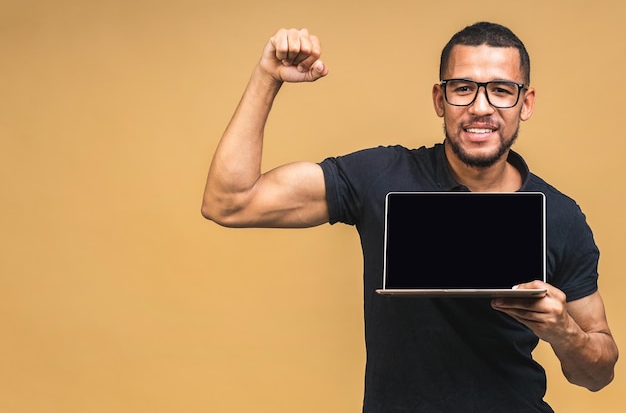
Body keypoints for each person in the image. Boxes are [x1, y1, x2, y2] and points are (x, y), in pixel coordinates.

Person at [202, 22, 618, 412]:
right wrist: (267, 76)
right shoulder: (380, 178)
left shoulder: (559, 215)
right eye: (463, 88)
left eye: (501, 90)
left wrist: (564, 331)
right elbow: (230, 201)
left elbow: (598, 374)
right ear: (440, 99)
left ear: (525, 103)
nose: (480, 107)